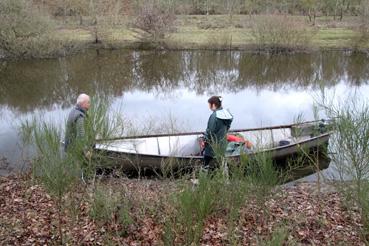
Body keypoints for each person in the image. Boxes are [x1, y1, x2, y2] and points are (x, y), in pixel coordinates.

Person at [203, 96, 233, 171]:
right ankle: (225, 177)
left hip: (213, 146)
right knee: (222, 161)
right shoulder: (227, 114)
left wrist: (205, 140)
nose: (209, 107)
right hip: (223, 144)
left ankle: (204, 177)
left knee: (206, 160)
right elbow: (227, 127)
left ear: (213, 105)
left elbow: (210, 131)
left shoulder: (214, 115)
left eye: (209, 105)